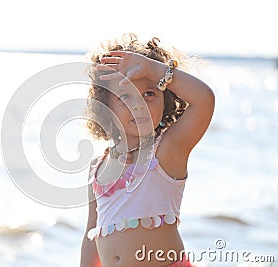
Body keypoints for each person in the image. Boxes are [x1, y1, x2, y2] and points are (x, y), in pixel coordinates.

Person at [80, 33, 215, 267]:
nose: (138, 104)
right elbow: (92, 233)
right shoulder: (98, 167)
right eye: (124, 95)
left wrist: (155, 70)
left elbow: (204, 100)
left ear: (167, 100)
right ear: (105, 106)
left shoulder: (167, 151)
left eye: (149, 93)